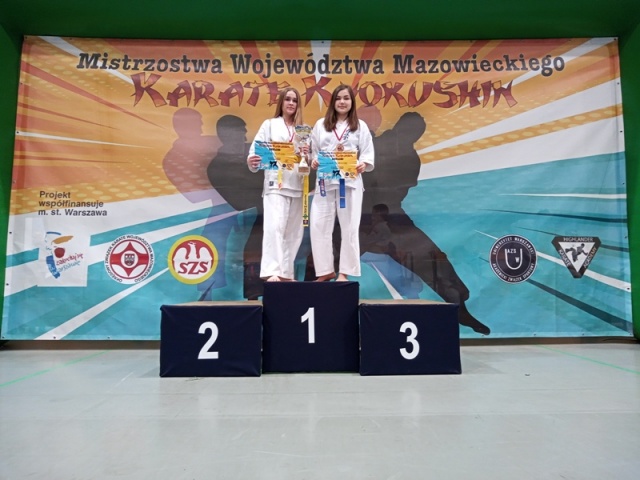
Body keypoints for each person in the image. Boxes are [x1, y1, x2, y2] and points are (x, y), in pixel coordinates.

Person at [360, 111, 491, 335]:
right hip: (358, 215)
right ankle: (307, 299)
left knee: (432, 257)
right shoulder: (371, 142)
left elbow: (400, 191)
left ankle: (459, 306)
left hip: (392, 217)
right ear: (398, 127)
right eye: (407, 130)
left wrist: (384, 220)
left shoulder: (412, 159)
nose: (410, 136)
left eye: (415, 133)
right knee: (323, 256)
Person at [310, 85, 374, 282]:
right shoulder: (320, 125)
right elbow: (313, 152)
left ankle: (344, 272)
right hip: (325, 182)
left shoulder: (360, 126)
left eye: (346, 98)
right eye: (338, 98)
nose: (342, 102)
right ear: (333, 102)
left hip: (350, 183)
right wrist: (313, 161)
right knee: (318, 225)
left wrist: (363, 164)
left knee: (350, 227)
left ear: (352, 102)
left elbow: (367, 153)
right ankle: (325, 271)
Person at [246, 87, 307, 282]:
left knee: (294, 232)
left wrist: (307, 153)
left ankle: (286, 273)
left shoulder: (303, 130)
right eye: (287, 99)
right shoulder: (270, 125)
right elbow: (255, 152)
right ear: (281, 102)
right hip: (276, 184)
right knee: (274, 227)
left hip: (297, 184)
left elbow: (311, 159)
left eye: (295, 100)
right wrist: (252, 161)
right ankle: (272, 271)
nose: (291, 103)